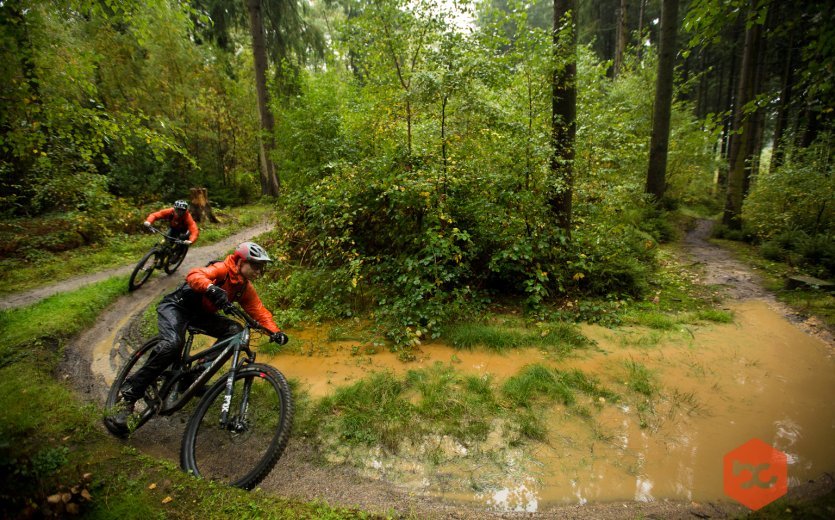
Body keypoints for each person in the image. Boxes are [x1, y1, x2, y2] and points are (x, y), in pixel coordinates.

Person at [107, 241, 289, 433]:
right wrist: (210, 288)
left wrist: (275, 332)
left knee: (234, 331)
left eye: (261, 268)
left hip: (201, 315)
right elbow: (195, 275)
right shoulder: (221, 269)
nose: (259, 271)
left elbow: (258, 311)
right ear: (240, 261)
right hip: (177, 307)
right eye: (255, 266)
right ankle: (129, 395)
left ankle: (195, 375)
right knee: (172, 344)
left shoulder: (244, 287)